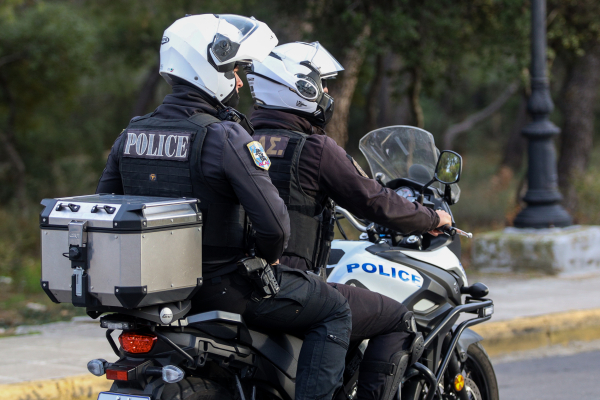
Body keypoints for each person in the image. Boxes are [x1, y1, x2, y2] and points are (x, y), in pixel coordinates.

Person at [96, 16, 351, 400]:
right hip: (223, 288)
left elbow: (106, 210)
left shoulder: (131, 132)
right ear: (207, 68)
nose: (239, 81)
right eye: (233, 70)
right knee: (335, 309)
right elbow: (275, 227)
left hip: (158, 292)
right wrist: (268, 260)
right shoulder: (224, 136)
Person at [246, 42, 453, 400]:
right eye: (321, 83)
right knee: (397, 318)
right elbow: (374, 200)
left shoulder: (239, 137)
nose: (327, 92)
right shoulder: (314, 148)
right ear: (301, 88)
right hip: (289, 283)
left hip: (239, 281)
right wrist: (430, 217)